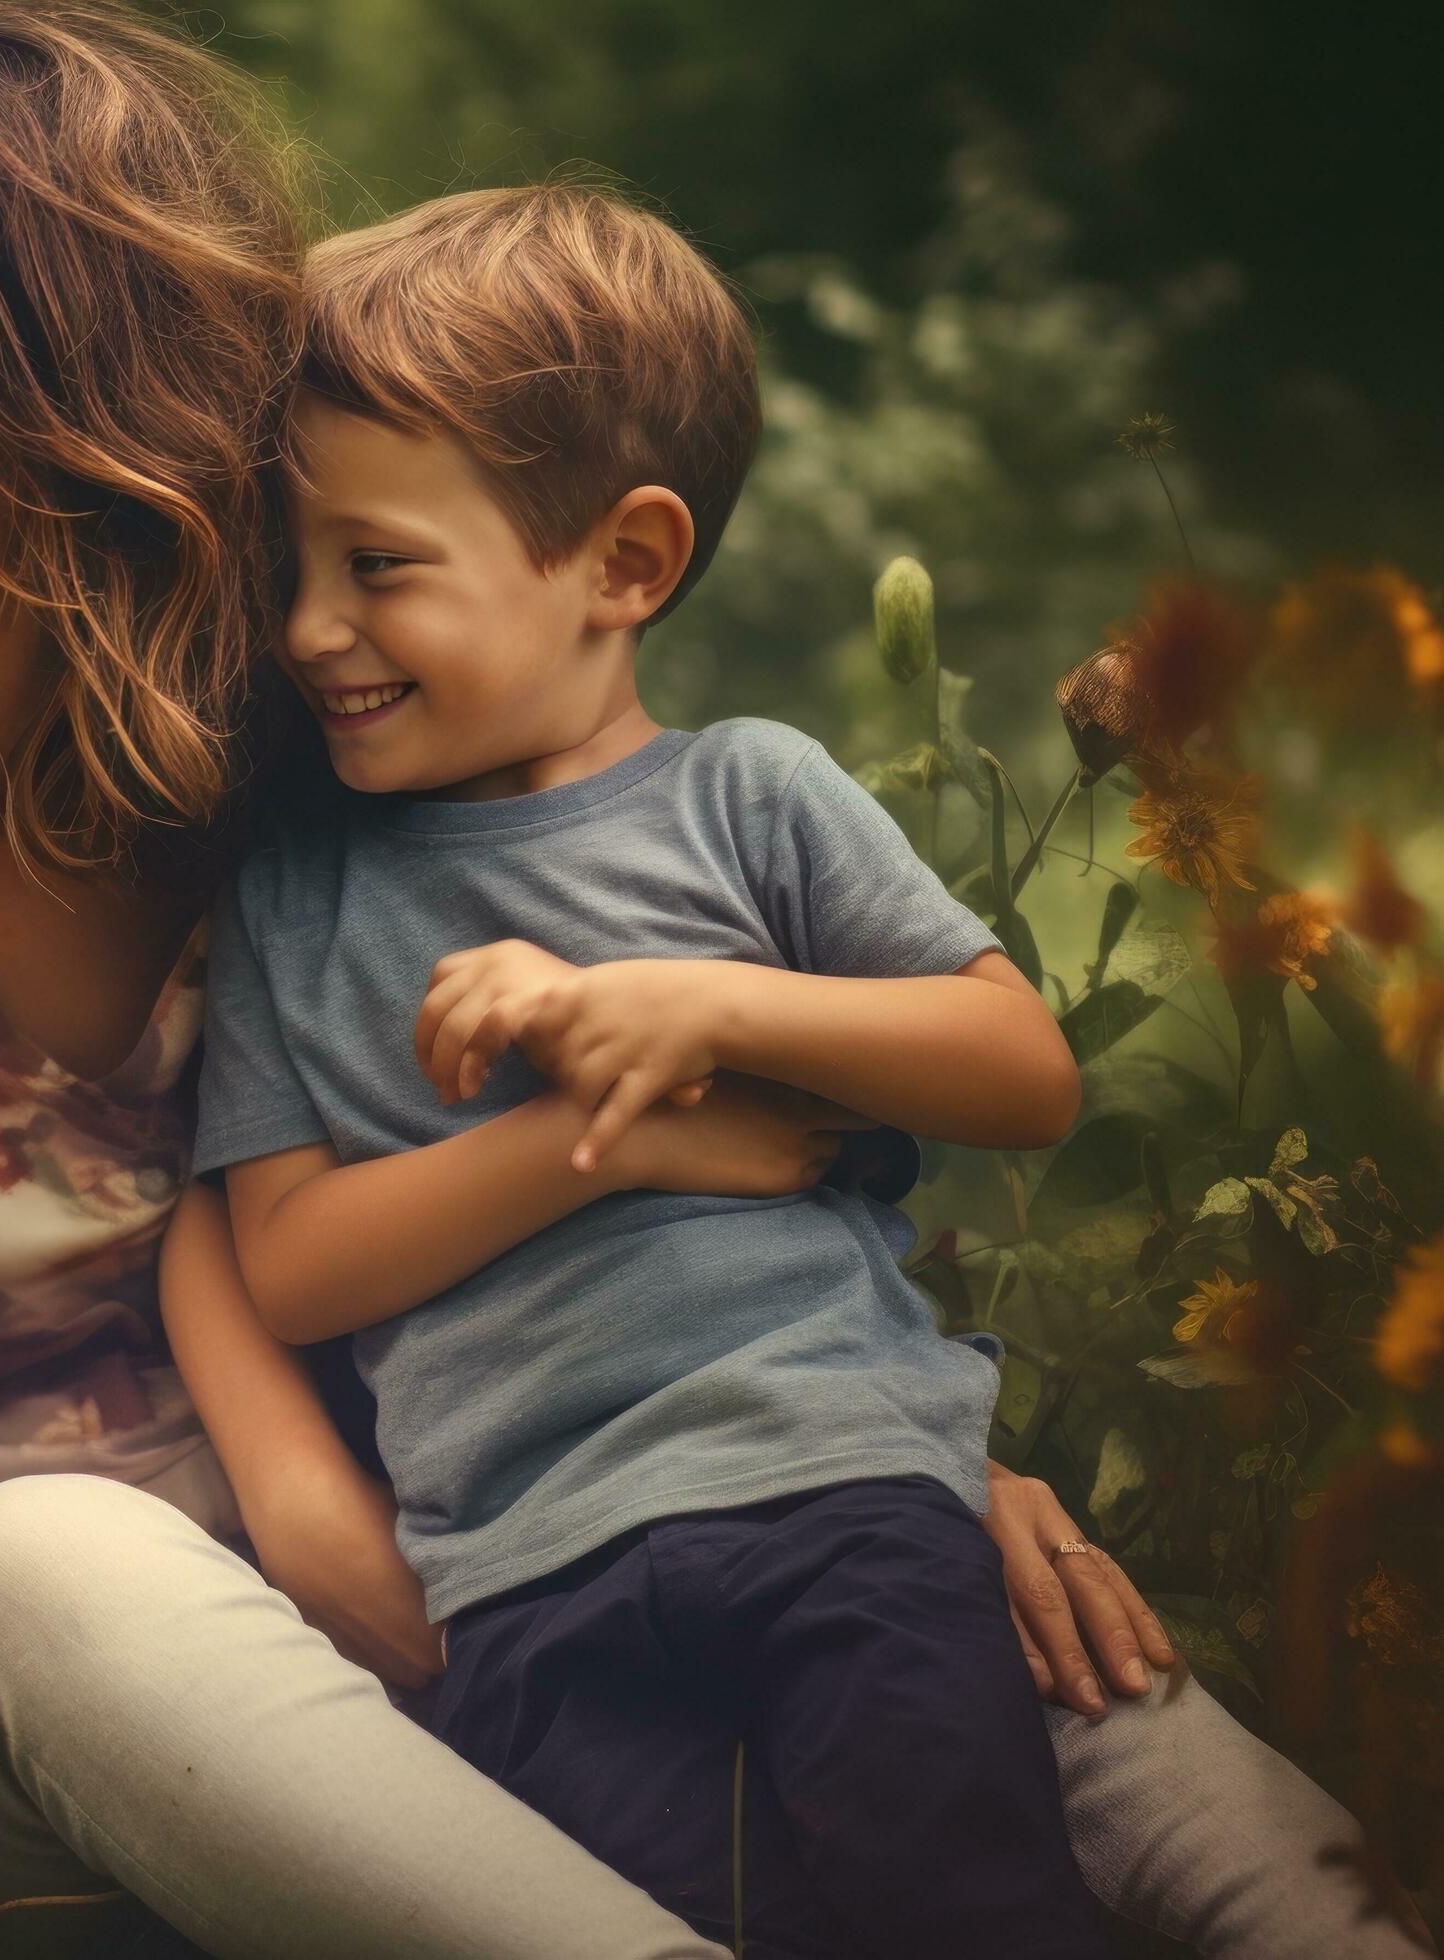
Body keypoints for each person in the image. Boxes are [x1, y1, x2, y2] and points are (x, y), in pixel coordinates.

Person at [0, 4, 1426, 1954]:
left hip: (490, 1586)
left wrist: (877, 1442)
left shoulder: (297, 723)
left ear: (91, 433)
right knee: (45, 1564)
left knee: (991, 1634)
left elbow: (630, 1139)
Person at [198, 179, 1107, 1956]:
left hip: (835, 1484)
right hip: (521, 1571)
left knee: (961, 1898)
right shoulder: (291, 891)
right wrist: (596, 1144)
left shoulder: (750, 796)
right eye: (287, 570)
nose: (310, 628)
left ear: (624, 565)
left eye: (378, 567)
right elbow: (292, 1264)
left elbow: (1022, 1070)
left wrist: (710, 1008)